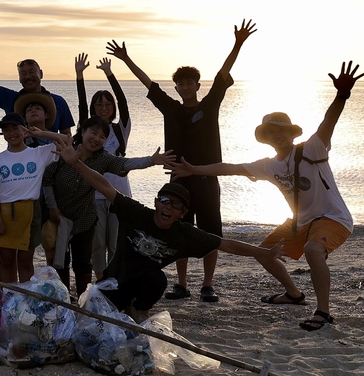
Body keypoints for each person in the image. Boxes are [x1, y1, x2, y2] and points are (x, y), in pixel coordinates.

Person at [167, 62, 362, 331]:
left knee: (313, 250)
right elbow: (229, 168)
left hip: (333, 218)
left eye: (282, 131)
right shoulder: (269, 165)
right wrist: (192, 169)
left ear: (291, 134)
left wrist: (341, 96)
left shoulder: (312, 149)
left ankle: (323, 313)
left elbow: (328, 122)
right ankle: (294, 295)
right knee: (263, 252)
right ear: (267, 138)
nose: (277, 136)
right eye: (272, 132)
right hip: (301, 222)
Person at [107, 19, 256, 303]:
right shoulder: (171, 109)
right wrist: (126, 58)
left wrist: (237, 44)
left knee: (211, 232)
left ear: (198, 85)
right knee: (178, 230)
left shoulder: (209, 104)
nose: (185, 87)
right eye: (180, 83)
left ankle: (208, 284)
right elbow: (148, 83)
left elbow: (224, 73)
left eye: (190, 82)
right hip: (178, 181)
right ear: (175, 87)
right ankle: (183, 283)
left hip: (207, 177)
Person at [52, 135, 281, 319]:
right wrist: (76, 163)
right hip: (112, 285)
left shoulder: (183, 234)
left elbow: (225, 244)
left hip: (141, 290)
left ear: (182, 213)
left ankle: (139, 309)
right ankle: (120, 306)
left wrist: (264, 253)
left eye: (176, 205)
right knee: (90, 318)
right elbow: (104, 185)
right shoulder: (136, 213)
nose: (168, 207)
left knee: (158, 279)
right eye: (164, 200)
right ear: (155, 202)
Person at [43, 117, 173, 295]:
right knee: (61, 261)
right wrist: (52, 206)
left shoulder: (102, 159)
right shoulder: (66, 151)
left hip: (85, 217)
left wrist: (151, 160)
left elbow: (125, 164)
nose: (97, 138)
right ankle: (63, 298)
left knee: (82, 262)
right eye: (93, 133)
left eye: (102, 136)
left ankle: (82, 300)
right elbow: (47, 179)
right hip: (60, 216)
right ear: (83, 132)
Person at [75, 53, 132, 281]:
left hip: (119, 194)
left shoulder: (120, 129)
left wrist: (110, 74)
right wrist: (79, 76)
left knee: (117, 242)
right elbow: (80, 105)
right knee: (97, 244)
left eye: (107, 104)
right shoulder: (86, 131)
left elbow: (124, 103)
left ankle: (116, 280)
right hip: (93, 194)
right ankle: (101, 281)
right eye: (99, 105)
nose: (104, 108)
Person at [0, 113, 58, 283]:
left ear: (24, 129)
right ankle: (8, 296)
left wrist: (40, 134)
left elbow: (67, 141)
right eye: (7, 130)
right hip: (5, 211)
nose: (12, 133)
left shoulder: (38, 154)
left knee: (26, 260)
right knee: (6, 259)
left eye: (16, 128)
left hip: (30, 210)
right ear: (3, 133)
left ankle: (26, 297)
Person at [0, 27, 76, 135]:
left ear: (41, 74)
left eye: (32, 72)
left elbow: (66, 137)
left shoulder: (58, 101)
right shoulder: (11, 98)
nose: (28, 77)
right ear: (19, 78)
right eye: (23, 74)